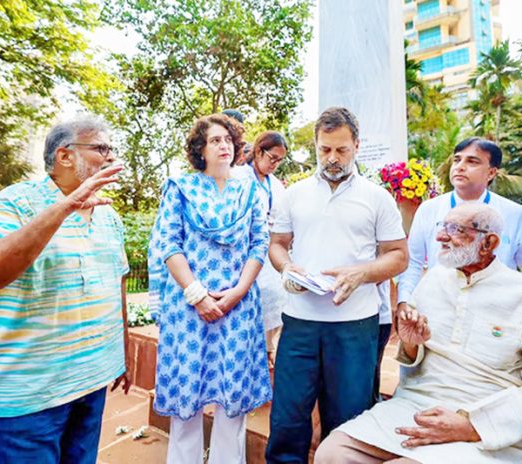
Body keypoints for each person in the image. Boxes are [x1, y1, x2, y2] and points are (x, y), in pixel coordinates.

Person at [315, 203, 522, 464]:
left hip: (491, 414)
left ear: (489, 243)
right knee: (333, 454)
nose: (441, 236)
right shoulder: (433, 280)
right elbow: (414, 357)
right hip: (419, 403)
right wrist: (410, 344)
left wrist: (471, 425)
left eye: (456, 229)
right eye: (442, 227)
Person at [0, 117, 130, 464]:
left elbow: (118, 282)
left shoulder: (108, 217)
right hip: (28, 396)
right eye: (101, 148)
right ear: (65, 156)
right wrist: (64, 207)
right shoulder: (16, 202)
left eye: (112, 149)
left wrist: (122, 355)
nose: (111, 158)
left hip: (91, 383)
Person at [266, 107, 409, 463]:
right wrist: (287, 269)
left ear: (357, 145)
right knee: (288, 415)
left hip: (354, 325)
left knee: (349, 417)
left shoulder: (377, 198)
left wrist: (361, 273)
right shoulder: (293, 194)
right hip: (299, 322)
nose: (332, 158)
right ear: (315, 145)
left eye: (341, 150)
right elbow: (277, 244)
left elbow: (398, 256)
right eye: (324, 149)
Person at [148, 113, 271, 464]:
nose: (224, 146)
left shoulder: (249, 191)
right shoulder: (180, 188)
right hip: (189, 310)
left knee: (232, 405)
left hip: (238, 307)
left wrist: (238, 291)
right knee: (186, 406)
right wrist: (197, 295)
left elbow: (259, 243)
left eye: (228, 140)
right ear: (200, 149)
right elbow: (168, 245)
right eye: (215, 140)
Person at [397, 137, 522, 321]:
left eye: (472, 161)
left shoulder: (517, 215)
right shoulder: (429, 209)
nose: (460, 166)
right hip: (438, 311)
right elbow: (414, 261)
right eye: (457, 160)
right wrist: (404, 300)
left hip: (495, 315)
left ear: (491, 173)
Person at [232, 130, 289, 367]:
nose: (275, 164)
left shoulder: (275, 184)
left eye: (280, 160)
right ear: (258, 151)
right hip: (244, 249)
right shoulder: (238, 177)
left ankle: (267, 347)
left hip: (269, 247)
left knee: (279, 295)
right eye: (272, 158)